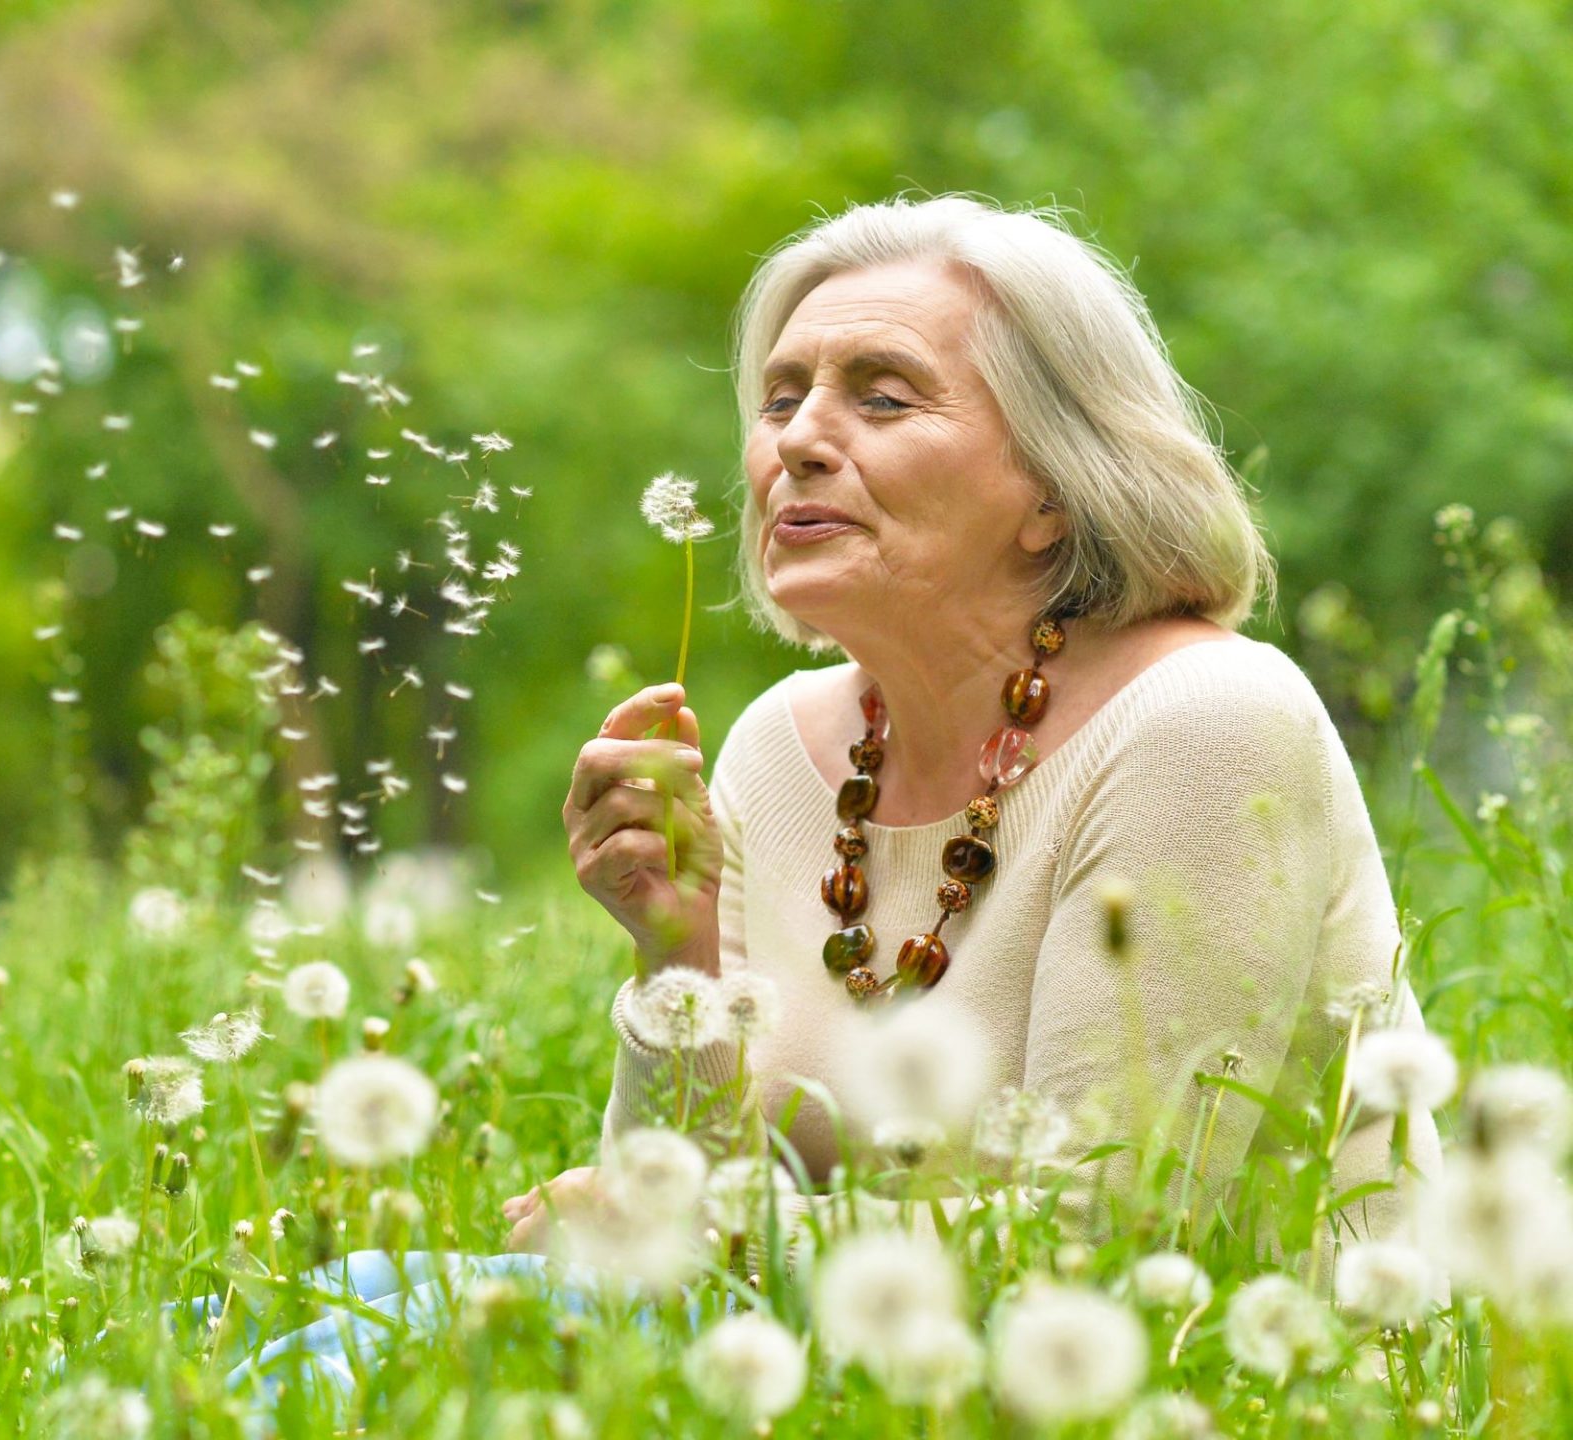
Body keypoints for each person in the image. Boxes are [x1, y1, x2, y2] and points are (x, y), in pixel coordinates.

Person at [514, 191, 1444, 1256]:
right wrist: (673, 954)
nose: (800, 439)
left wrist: (690, 1236)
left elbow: (1105, 1240)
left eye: (884, 400)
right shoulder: (777, 749)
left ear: (1054, 487)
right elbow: (664, 1239)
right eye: (779, 400)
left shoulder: (1203, 721)